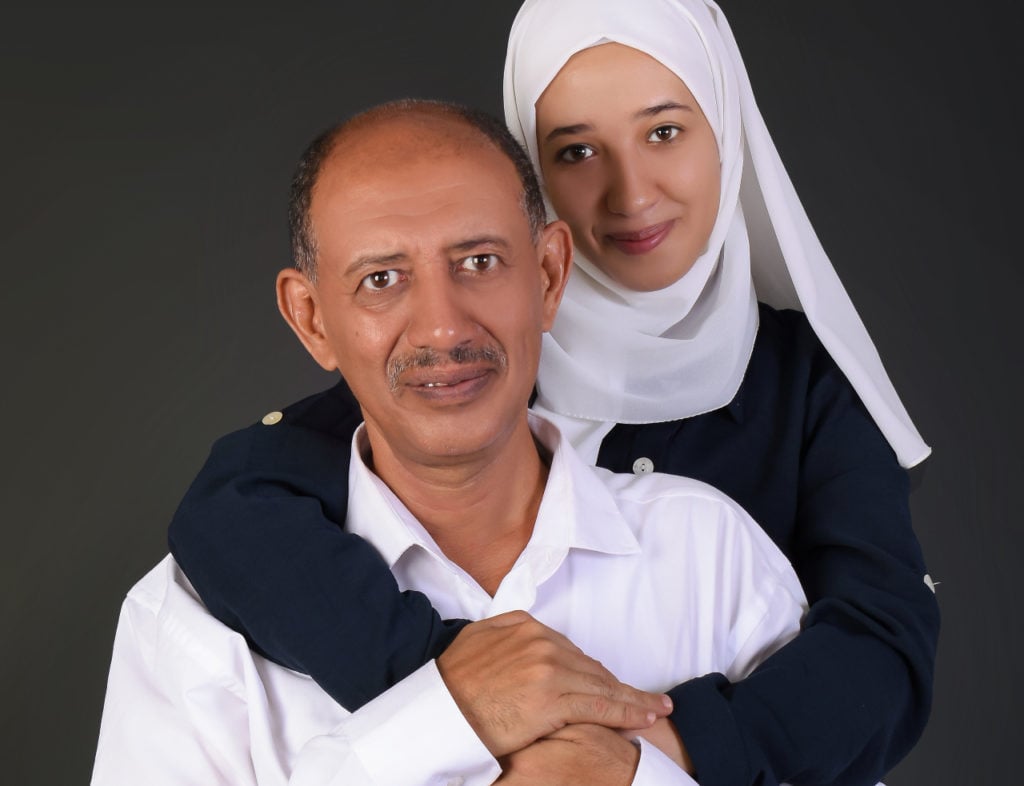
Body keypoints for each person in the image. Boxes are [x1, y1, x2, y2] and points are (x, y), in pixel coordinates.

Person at [168, 1, 940, 784]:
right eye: (574, 152)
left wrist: (652, 755)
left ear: (727, 135)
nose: (630, 193)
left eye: (665, 131)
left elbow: (881, 649)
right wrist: (452, 684)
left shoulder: (806, 384)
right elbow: (237, 502)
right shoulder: (476, 357)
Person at [93, 100, 809, 785]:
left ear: (550, 276)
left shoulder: (713, 554)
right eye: (382, 279)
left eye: (478, 262)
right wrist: (441, 720)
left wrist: (623, 777)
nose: (443, 327)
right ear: (312, 320)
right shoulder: (187, 626)